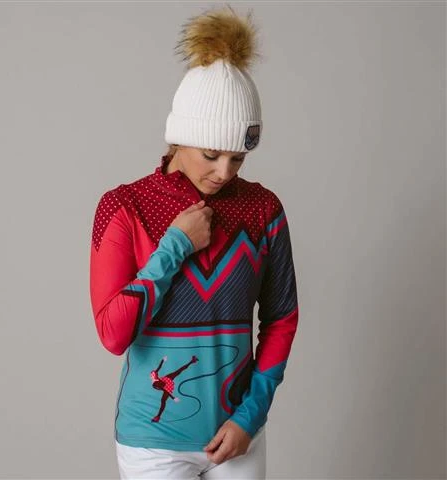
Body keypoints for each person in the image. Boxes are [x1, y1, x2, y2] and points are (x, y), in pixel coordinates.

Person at [89, 5, 299, 479]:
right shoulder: (124, 207)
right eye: (211, 153)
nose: (224, 172)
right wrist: (174, 246)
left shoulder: (263, 209)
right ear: (180, 136)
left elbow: (282, 318)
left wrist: (251, 416)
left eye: (238, 158)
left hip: (239, 437)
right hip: (152, 443)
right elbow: (113, 334)